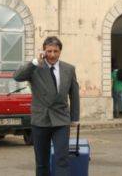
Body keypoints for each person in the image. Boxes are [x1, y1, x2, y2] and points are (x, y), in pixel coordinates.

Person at [14, 36, 80, 176]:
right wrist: (34, 62)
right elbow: (17, 76)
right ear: (43, 51)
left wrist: (75, 118)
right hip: (40, 120)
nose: (52, 55)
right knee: (42, 162)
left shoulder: (69, 69)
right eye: (49, 51)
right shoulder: (35, 67)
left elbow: (74, 94)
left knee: (62, 159)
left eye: (56, 51)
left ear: (60, 51)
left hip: (61, 120)